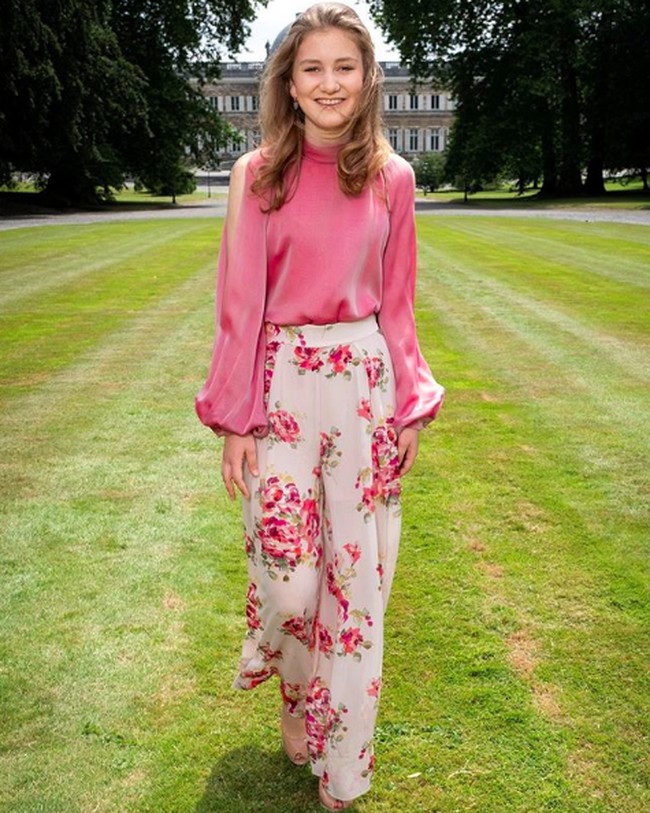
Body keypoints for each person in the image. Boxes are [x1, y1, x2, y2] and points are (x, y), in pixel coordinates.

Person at [195, 3, 445, 809]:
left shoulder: (391, 177)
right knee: (293, 585)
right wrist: (235, 418)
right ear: (290, 83)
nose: (330, 82)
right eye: (313, 69)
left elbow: (398, 305)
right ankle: (296, 691)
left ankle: (344, 764)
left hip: (366, 390)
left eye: (345, 67)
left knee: (355, 587)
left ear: (368, 77)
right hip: (282, 388)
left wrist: (410, 403)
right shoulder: (257, 173)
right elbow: (239, 303)